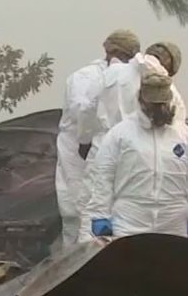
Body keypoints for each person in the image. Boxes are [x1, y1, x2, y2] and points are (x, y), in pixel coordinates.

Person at [55, 29, 141, 248]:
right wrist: (85, 141)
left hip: (94, 146)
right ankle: (70, 266)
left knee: (90, 208)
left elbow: (85, 111)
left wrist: (87, 141)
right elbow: (82, 111)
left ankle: (82, 263)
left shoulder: (101, 75)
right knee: (78, 209)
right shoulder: (89, 76)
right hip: (82, 149)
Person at [79, 72, 188, 242]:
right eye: (153, 103)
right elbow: (103, 179)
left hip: (174, 224)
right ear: (141, 100)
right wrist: (99, 217)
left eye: (161, 103)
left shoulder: (182, 136)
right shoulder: (121, 134)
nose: (158, 109)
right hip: (130, 223)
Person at [104, 42, 185, 133]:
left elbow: (88, 107)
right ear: (171, 68)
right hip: (146, 143)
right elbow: (178, 131)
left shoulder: (113, 71)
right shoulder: (171, 92)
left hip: (103, 141)